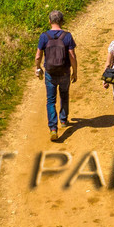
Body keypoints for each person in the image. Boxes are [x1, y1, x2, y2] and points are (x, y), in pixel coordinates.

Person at [34, 10, 77, 140]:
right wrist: (75, 71)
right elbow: (72, 56)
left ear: (49, 21)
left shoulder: (44, 36)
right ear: (62, 21)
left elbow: (38, 56)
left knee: (51, 100)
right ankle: (63, 120)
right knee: (64, 95)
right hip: (64, 71)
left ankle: (53, 128)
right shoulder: (67, 36)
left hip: (50, 73)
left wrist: (38, 68)